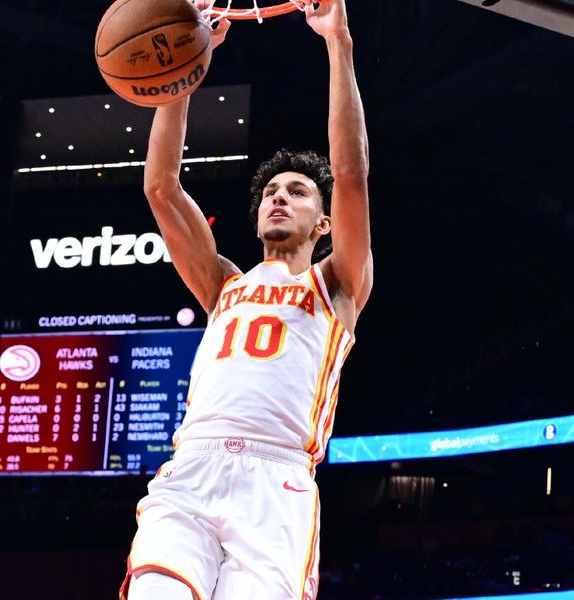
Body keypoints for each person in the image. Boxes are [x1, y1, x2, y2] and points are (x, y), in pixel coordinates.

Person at [121, 0, 372, 598]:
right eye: (271, 192)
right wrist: (182, 72)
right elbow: (160, 187)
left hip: (277, 485)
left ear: (325, 223)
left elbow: (353, 172)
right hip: (193, 471)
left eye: (300, 192)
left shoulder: (336, 285)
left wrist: (339, 43)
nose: (280, 198)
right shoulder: (223, 285)